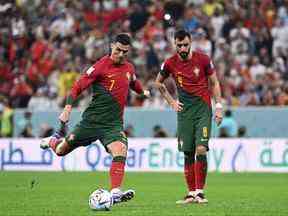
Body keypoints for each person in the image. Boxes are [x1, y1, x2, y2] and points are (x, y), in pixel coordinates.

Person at [40, 33, 149, 205]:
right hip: (91, 122)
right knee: (61, 150)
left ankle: (114, 192)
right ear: (112, 45)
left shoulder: (129, 68)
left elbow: (134, 82)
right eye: (118, 50)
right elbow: (77, 87)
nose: (121, 54)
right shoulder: (100, 66)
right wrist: (67, 108)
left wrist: (142, 92)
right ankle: (52, 141)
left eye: (125, 52)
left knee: (120, 149)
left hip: (112, 125)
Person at [155, 30, 223, 204]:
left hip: (202, 110)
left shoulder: (203, 59)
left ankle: (200, 192)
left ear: (190, 42)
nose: (183, 48)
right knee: (187, 152)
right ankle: (191, 193)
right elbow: (158, 83)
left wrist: (219, 106)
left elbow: (214, 82)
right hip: (184, 112)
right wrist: (171, 102)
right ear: (175, 45)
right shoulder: (170, 63)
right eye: (179, 45)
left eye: (185, 44)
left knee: (201, 149)